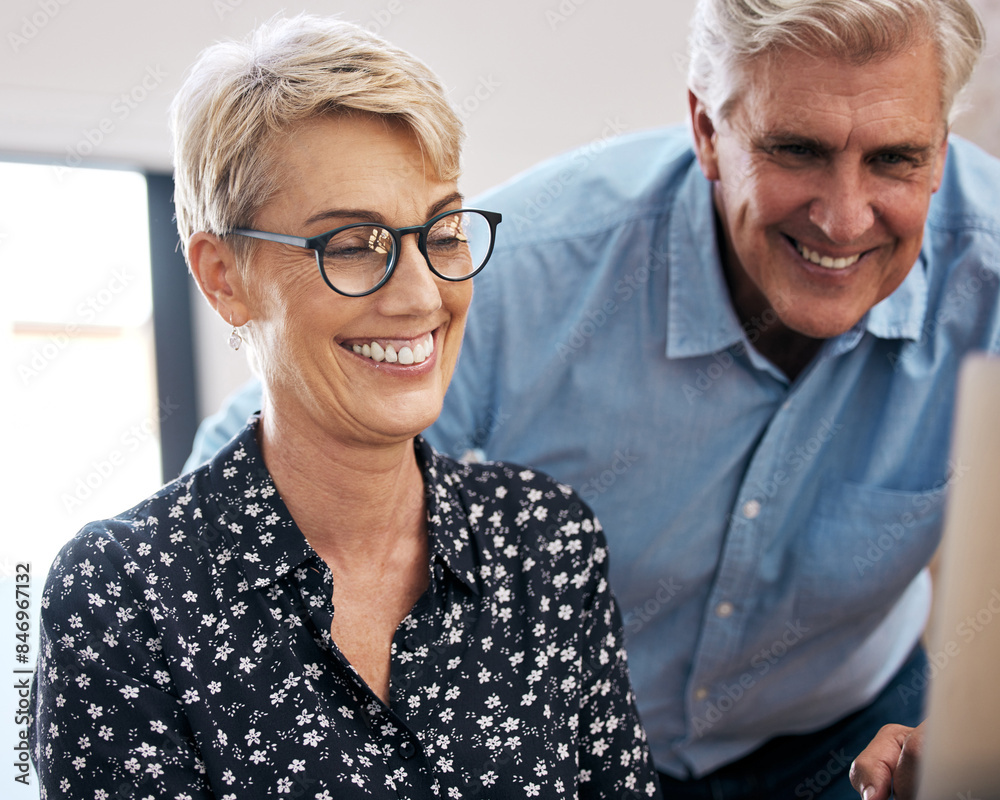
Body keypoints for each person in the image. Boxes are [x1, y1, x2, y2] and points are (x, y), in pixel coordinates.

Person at [187, 0, 1000, 797]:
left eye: (896, 159)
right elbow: (277, 455)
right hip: (581, 752)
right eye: (796, 150)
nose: (845, 217)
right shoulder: (540, 266)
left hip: (854, 734)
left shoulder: (989, 270)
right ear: (709, 132)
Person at [28, 16, 662, 800]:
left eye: (443, 231)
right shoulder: (122, 596)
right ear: (224, 276)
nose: (423, 295)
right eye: (355, 244)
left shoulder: (547, 543)